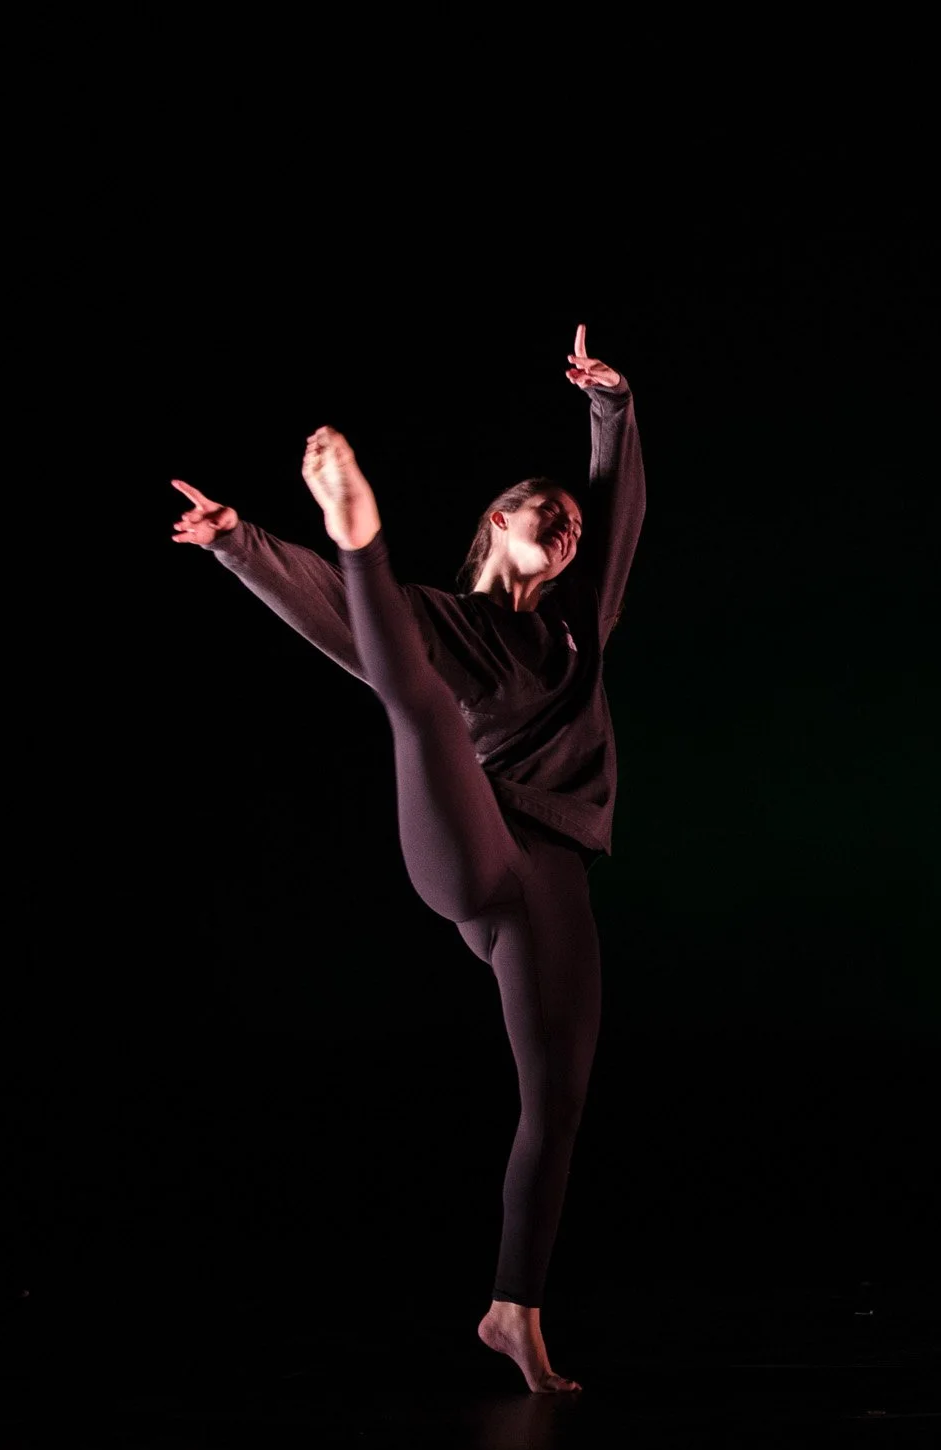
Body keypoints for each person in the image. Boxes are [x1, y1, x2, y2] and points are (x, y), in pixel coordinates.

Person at [170, 328, 644, 1391]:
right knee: (414, 699)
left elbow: (616, 514)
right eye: (544, 514)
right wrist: (242, 541)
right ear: (497, 524)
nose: (565, 528)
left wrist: (611, 404)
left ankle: (512, 1307)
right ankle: (357, 530)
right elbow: (342, 625)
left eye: (570, 525)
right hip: (466, 841)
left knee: (558, 1096)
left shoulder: (579, 623)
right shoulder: (446, 619)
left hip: (551, 875)